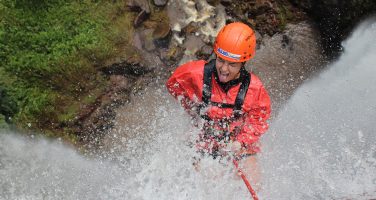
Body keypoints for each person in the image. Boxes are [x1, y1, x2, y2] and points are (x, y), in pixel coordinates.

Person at [166, 22, 271, 180]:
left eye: (232, 64)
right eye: (221, 60)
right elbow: (174, 84)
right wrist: (193, 109)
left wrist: (240, 142)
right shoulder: (194, 73)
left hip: (236, 142)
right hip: (203, 138)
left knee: (253, 180)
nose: (224, 69)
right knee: (207, 179)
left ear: (243, 63)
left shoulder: (254, 89)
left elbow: (259, 119)